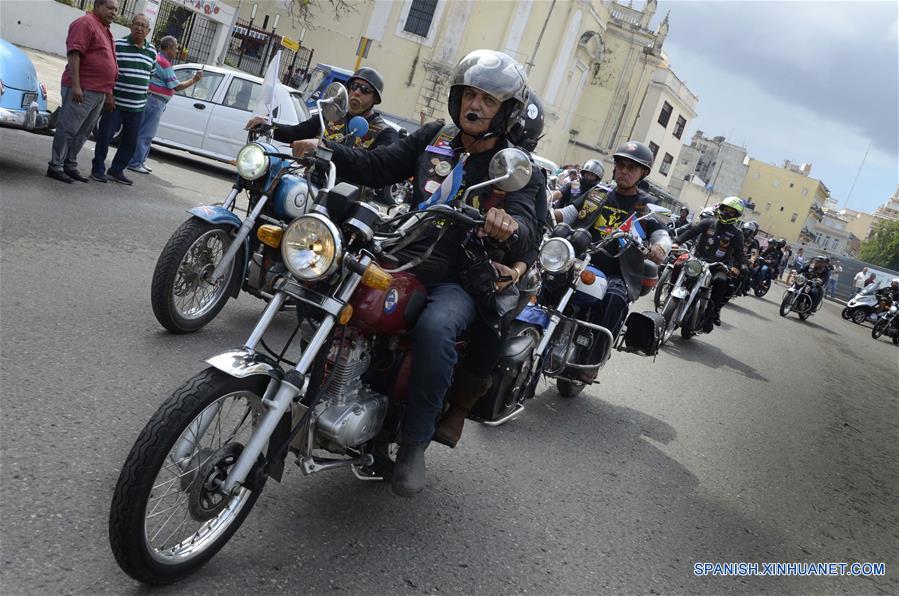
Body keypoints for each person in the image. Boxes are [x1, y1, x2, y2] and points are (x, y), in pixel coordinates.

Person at [297, 50, 542, 497]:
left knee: (436, 327)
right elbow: (380, 163)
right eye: (470, 95)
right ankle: (314, 384)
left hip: (458, 274)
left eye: (488, 101)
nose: (476, 106)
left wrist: (509, 225)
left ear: (505, 111)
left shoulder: (515, 166)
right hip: (402, 250)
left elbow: (528, 224)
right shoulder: (432, 138)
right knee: (329, 280)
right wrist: (327, 149)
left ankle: (413, 442)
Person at [552, 140, 671, 377]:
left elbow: (661, 234)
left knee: (615, 298)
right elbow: (568, 214)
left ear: (643, 173)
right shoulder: (598, 193)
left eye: (632, 168)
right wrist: (545, 211)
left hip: (620, 271)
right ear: (614, 167)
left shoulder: (648, 205)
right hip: (581, 260)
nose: (624, 171)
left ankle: (594, 359)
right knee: (547, 277)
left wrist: (660, 248)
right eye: (621, 165)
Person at [246, 67, 398, 200]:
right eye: (355, 86)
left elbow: (375, 165)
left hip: (349, 201)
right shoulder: (330, 115)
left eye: (365, 90)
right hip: (312, 186)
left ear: (375, 99)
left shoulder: (384, 132)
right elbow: (296, 132)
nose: (357, 92)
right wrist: (269, 126)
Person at [47, 0, 119, 183]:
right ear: (97, 6)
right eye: (110, 8)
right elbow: (74, 53)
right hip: (83, 88)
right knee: (69, 127)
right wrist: (77, 85)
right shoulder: (85, 23)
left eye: (116, 10)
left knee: (84, 131)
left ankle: (69, 164)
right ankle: (55, 165)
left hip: (99, 91)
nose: (114, 13)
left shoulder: (105, 28)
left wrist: (109, 92)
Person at [88, 14, 156, 185]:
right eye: (137, 24)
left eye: (143, 26)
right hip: (115, 103)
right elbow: (109, 71)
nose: (139, 28)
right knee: (105, 137)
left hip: (137, 107)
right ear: (130, 26)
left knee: (130, 142)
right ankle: (98, 169)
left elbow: (150, 76)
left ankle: (116, 170)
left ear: (148, 31)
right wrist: (109, 95)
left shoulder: (152, 51)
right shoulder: (117, 45)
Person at [126, 36, 202, 174]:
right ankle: (136, 162)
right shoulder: (164, 63)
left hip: (152, 99)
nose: (177, 51)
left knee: (145, 132)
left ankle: (140, 160)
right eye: (176, 48)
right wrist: (194, 80)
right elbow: (176, 86)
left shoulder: (159, 59)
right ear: (168, 48)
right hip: (155, 101)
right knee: (146, 133)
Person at [674, 196, 746, 330]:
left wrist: (736, 267)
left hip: (717, 266)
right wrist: (677, 242)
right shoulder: (708, 222)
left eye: (732, 212)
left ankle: (710, 315)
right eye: (726, 210)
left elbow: (739, 254)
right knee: (678, 265)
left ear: (736, 215)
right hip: (697, 260)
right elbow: (691, 232)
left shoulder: (737, 234)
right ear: (721, 208)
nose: (727, 213)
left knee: (721, 281)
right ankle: (671, 291)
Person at [738, 221, 760, 295]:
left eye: (749, 231)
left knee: (746, 271)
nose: (746, 232)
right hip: (732, 257)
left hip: (744, 260)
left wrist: (752, 259)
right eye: (745, 230)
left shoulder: (753, 242)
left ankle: (743, 288)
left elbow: (754, 253)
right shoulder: (737, 236)